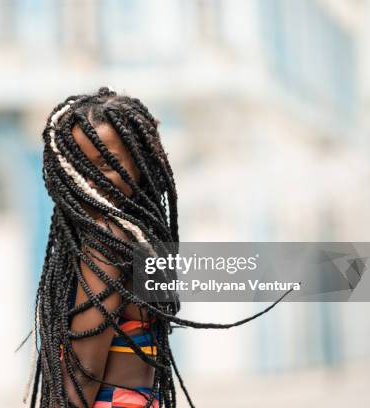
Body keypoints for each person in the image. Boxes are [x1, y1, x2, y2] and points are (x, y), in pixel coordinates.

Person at [23, 87, 288, 408]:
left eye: (106, 163)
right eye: (79, 164)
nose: (89, 179)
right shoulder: (141, 239)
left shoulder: (107, 241)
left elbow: (85, 371)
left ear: (140, 166)